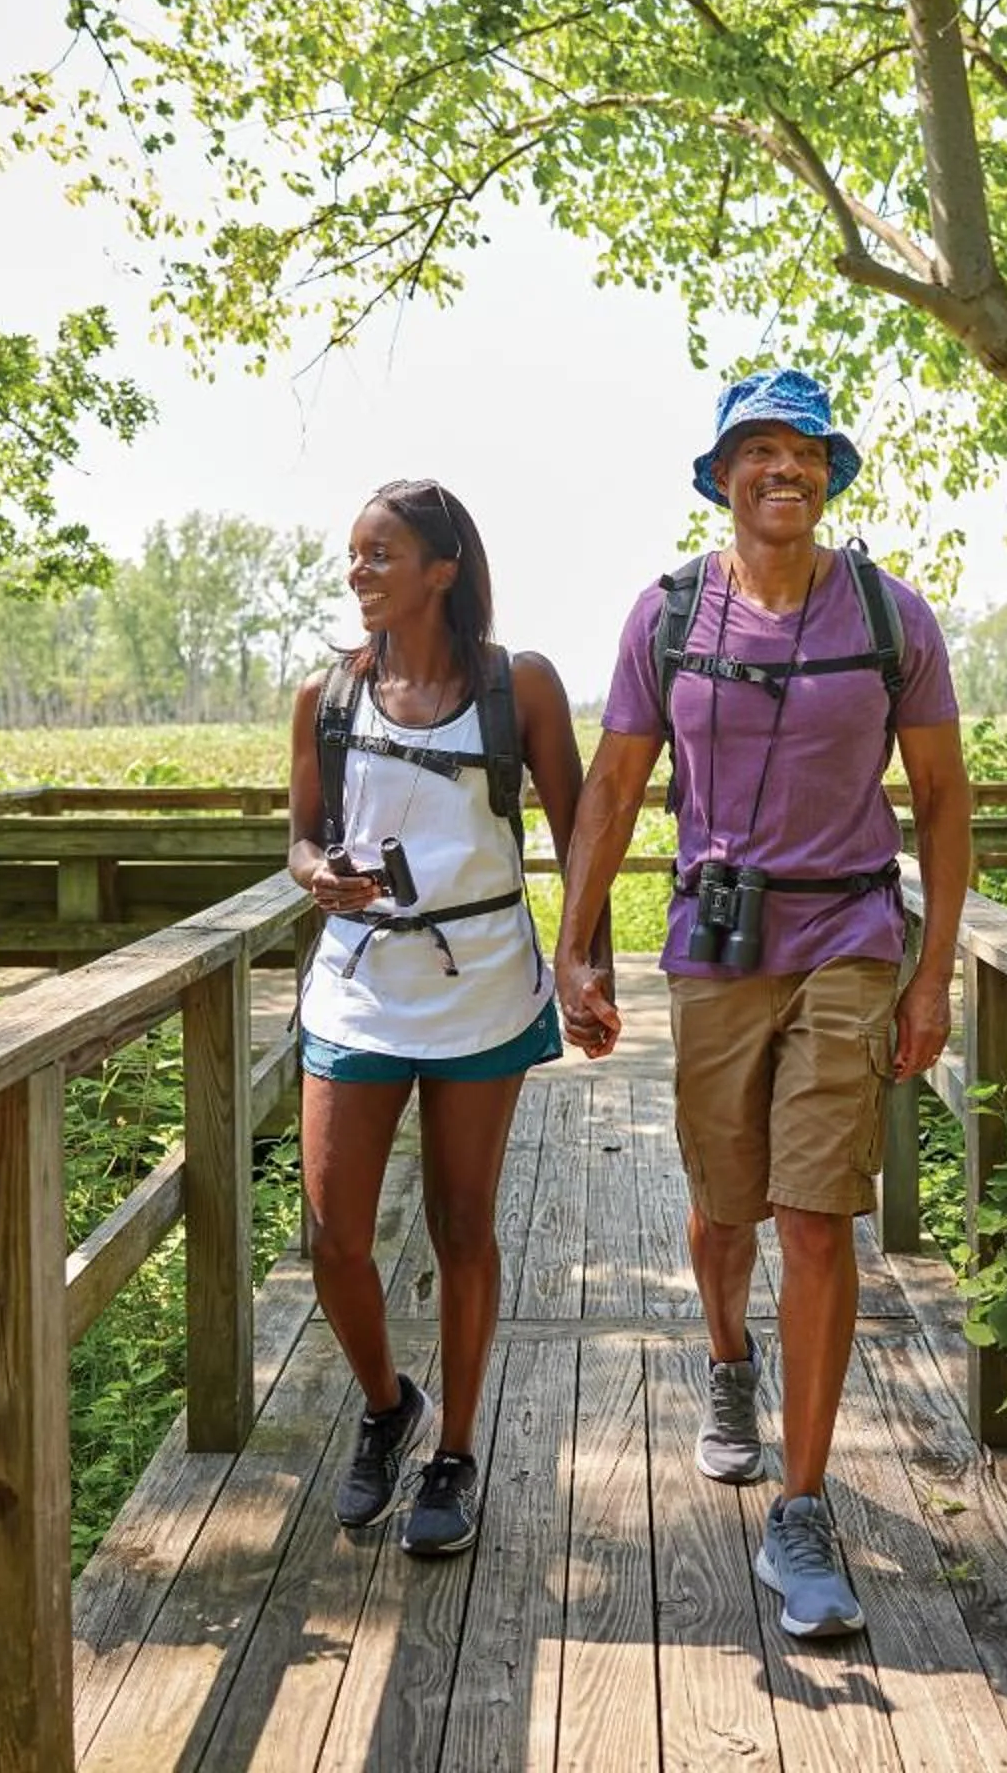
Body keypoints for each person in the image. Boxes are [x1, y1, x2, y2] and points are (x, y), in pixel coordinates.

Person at [553, 368, 969, 1639]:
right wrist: (575, 947)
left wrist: (933, 971)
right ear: (720, 472)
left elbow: (946, 800)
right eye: (755, 450)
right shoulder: (668, 615)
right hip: (714, 944)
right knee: (723, 1206)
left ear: (833, 472)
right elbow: (615, 790)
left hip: (848, 933)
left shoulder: (892, 616)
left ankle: (802, 1501)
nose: (780, 469)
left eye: (803, 451)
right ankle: (728, 1362)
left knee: (814, 1210)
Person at [288, 478, 586, 1556]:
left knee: (465, 1224)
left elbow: (578, 830)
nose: (360, 571)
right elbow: (301, 838)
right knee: (332, 1236)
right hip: (361, 983)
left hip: (482, 983)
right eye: (355, 555)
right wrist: (321, 876)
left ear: (443, 569)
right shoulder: (327, 694)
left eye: (382, 555)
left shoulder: (522, 687)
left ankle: (455, 1450)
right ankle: (385, 1403)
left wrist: (584, 958)